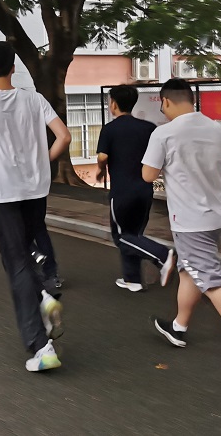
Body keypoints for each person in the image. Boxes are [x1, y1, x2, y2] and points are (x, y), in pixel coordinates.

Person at [143, 79, 221, 384]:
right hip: (216, 216)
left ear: (165, 102)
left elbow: (148, 174)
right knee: (191, 271)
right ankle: (178, 327)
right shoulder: (216, 129)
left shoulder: (164, 133)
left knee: (211, 281)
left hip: (190, 220)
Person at [0, 41, 71, 372]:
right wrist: (44, 160)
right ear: (13, 68)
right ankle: (44, 298)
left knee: (16, 262)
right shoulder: (35, 99)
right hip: (36, 189)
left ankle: (40, 346)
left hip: (3, 193)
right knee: (23, 252)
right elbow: (64, 136)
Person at [96, 85, 175, 292]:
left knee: (121, 237)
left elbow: (102, 156)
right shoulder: (149, 128)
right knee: (133, 235)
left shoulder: (110, 129)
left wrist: (101, 169)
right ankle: (133, 280)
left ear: (113, 104)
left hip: (122, 191)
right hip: (144, 190)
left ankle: (162, 255)